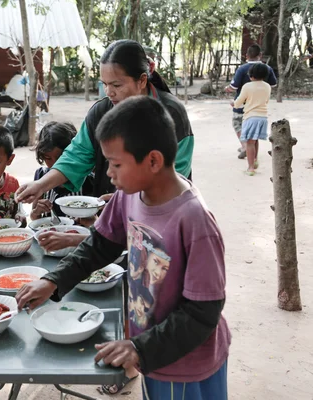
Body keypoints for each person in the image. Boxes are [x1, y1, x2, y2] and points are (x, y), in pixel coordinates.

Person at [16, 96, 230, 399]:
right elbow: (100, 244)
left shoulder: (194, 222)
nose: (108, 174)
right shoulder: (130, 194)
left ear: (153, 161)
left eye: (115, 164)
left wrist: (138, 346)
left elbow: (203, 312)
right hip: (153, 352)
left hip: (184, 360)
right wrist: (54, 280)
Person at [15, 39, 194, 205]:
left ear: (142, 80)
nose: (109, 92)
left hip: (160, 211)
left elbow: (174, 176)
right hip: (109, 208)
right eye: (105, 84)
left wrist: (124, 201)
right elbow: (78, 154)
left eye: (116, 85)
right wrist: (41, 185)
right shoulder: (101, 112)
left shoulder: (172, 114)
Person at [31, 121, 93, 252]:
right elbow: (34, 218)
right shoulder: (41, 176)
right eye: (48, 158)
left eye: (61, 158)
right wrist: (37, 212)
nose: (54, 164)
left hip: (80, 247)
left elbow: (97, 224)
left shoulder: (88, 179)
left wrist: (90, 219)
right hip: (49, 246)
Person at [225, 44, 277, 160]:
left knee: (237, 124)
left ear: (246, 56)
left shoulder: (242, 69)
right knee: (254, 132)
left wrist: (227, 90)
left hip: (242, 105)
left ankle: (244, 146)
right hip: (259, 107)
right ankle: (254, 157)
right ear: (260, 55)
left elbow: (233, 87)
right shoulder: (267, 68)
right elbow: (273, 84)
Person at [232, 63, 271, 175]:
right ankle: (255, 160)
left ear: (251, 75)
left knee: (249, 142)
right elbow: (266, 101)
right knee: (255, 139)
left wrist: (233, 104)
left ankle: (250, 168)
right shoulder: (267, 86)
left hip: (251, 117)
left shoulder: (247, 86)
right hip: (263, 117)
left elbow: (238, 102)